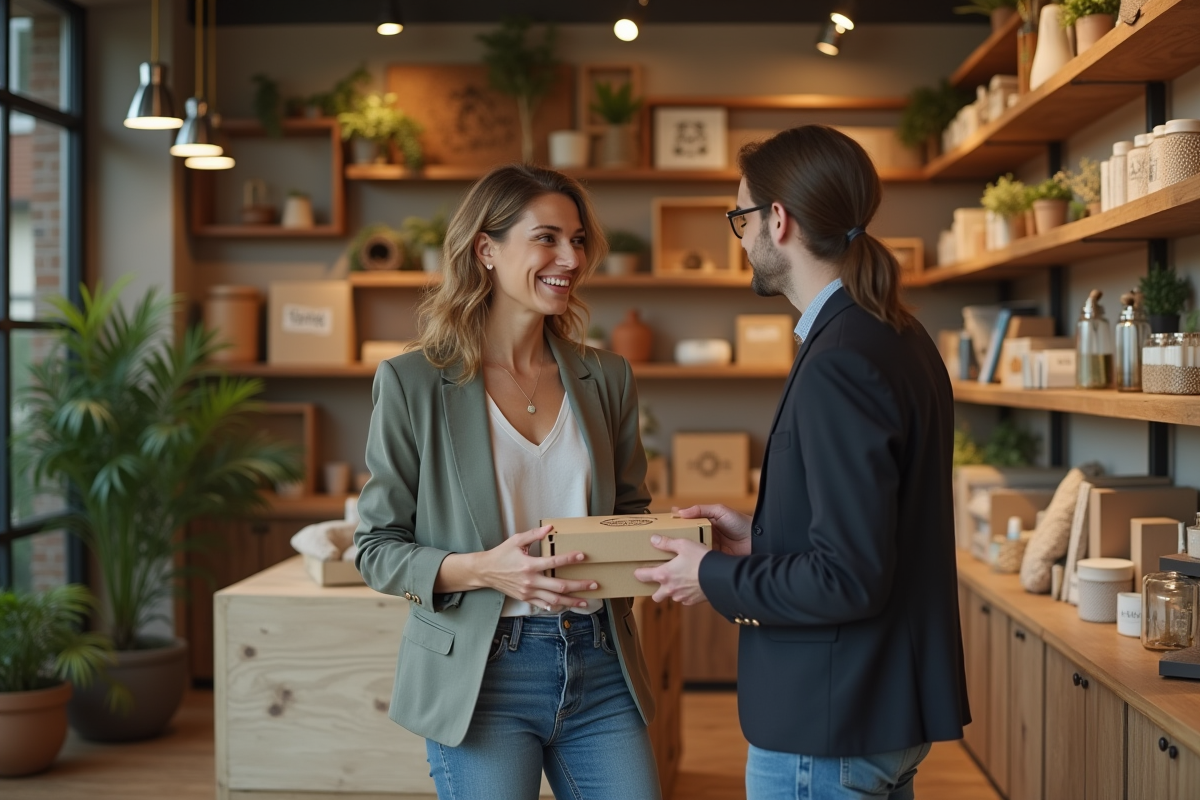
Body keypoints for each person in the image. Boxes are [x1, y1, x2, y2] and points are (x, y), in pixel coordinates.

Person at [634, 125, 970, 800]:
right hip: (876, 712)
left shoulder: (840, 358)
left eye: (741, 218)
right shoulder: (894, 334)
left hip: (828, 726)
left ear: (778, 220)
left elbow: (847, 578)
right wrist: (758, 537)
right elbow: (875, 534)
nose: (741, 239)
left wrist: (711, 574)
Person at [354, 164, 661, 800]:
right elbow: (377, 548)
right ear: (485, 250)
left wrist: (666, 549)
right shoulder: (412, 383)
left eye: (578, 240)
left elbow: (631, 512)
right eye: (546, 238)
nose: (570, 258)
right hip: (483, 672)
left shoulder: (607, 377)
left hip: (600, 661)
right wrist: (485, 570)